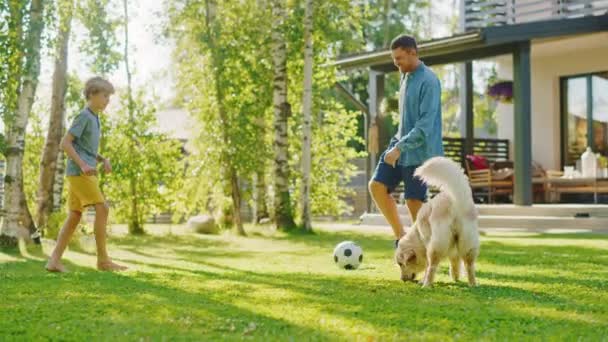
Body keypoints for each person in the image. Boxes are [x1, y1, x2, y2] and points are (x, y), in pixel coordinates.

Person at [368, 35, 444, 248]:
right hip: (399, 145)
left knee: (414, 204)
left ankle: (426, 253)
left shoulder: (429, 81)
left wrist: (399, 148)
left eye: (399, 58)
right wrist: (397, 145)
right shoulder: (405, 76)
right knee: (376, 186)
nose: (396, 63)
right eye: (394, 59)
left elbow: (424, 127)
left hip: (421, 152)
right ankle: (401, 239)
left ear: (413, 52)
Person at [45, 77, 127, 272]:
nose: (108, 100)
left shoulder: (94, 117)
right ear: (92, 94)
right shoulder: (84, 116)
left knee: (74, 214)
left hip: (81, 171)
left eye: (109, 97)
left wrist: (102, 159)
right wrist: (82, 164)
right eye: (105, 95)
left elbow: (84, 148)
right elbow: (65, 143)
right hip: (79, 172)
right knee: (102, 208)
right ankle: (103, 261)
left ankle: (54, 261)